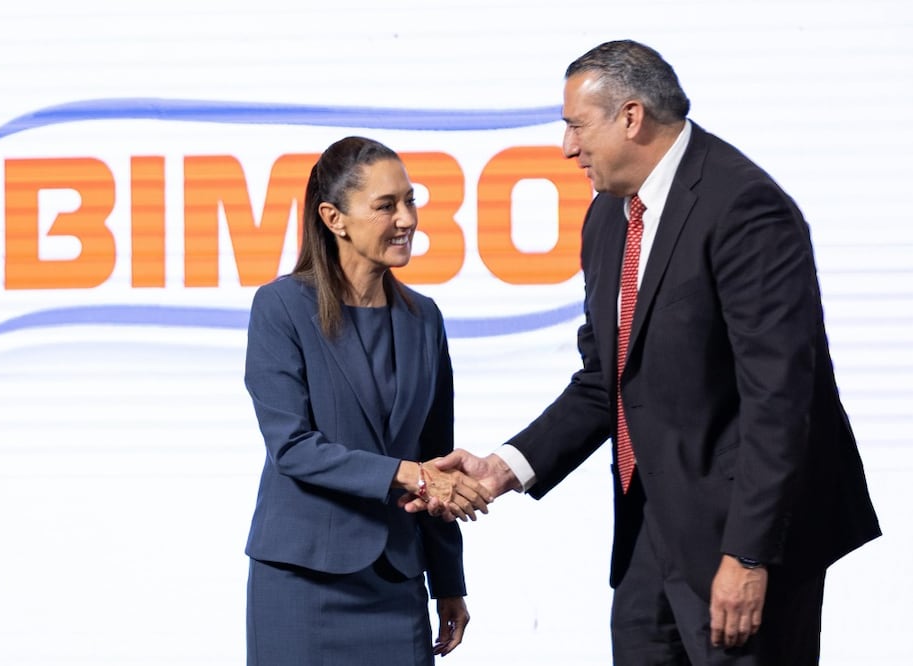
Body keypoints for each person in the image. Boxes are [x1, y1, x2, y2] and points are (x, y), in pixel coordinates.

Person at [407, 40, 881, 664]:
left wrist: (748, 556)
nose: (567, 148)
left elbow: (780, 402)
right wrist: (502, 470)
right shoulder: (608, 218)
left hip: (744, 541)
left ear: (631, 117)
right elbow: (606, 381)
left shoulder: (744, 208)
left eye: (576, 126)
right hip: (649, 539)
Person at [243, 136, 492, 665]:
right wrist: (409, 474)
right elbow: (293, 447)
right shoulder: (281, 306)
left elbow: (436, 455)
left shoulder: (425, 318)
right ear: (334, 218)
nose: (406, 218)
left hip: (397, 584)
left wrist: (447, 581)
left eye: (410, 201)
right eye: (386, 206)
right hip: (303, 582)